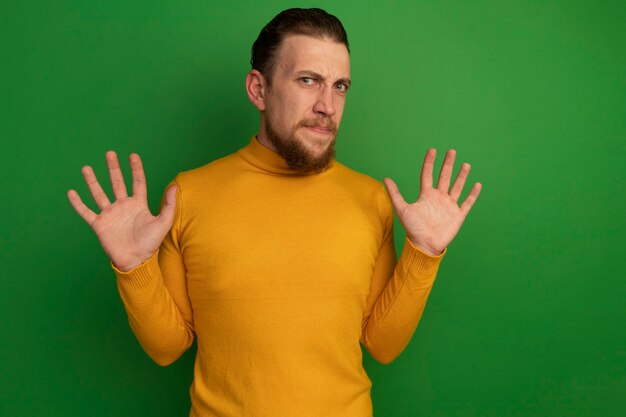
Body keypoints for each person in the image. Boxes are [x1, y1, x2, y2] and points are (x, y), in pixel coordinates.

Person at [67, 8, 482, 417]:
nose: (328, 105)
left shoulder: (371, 199)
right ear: (259, 90)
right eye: (308, 81)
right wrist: (134, 265)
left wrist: (423, 253)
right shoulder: (189, 194)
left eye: (340, 86)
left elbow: (382, 345)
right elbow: (166, 347)